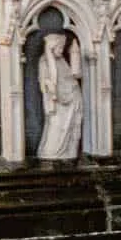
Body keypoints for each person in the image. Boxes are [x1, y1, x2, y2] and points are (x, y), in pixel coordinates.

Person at [36, 32, 82, 160]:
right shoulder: (44, 61)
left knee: (69, 128)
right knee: (56, 127)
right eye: (59, 47)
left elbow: (69, 76)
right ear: (52, 47)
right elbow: (44, 80)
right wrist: (50, 85)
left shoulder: (61, 60)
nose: (61, 51)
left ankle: (68, 152)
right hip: (58, 101)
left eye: (62, 48)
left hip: (71, 98)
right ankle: (51, 152)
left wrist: (75, 75)